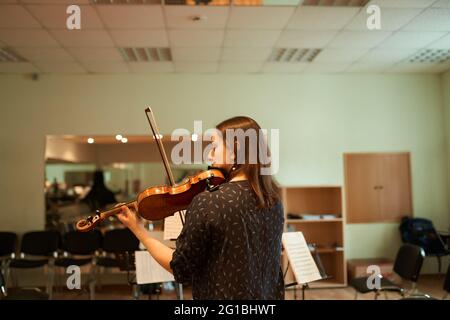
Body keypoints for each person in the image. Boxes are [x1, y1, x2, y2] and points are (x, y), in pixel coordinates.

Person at [118, 116, 285, 299]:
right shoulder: (274, 202)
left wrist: (139, 230)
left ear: (235, 150)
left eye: (214, 147)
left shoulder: (209, 201)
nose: (210, 155)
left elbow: (180, 268)